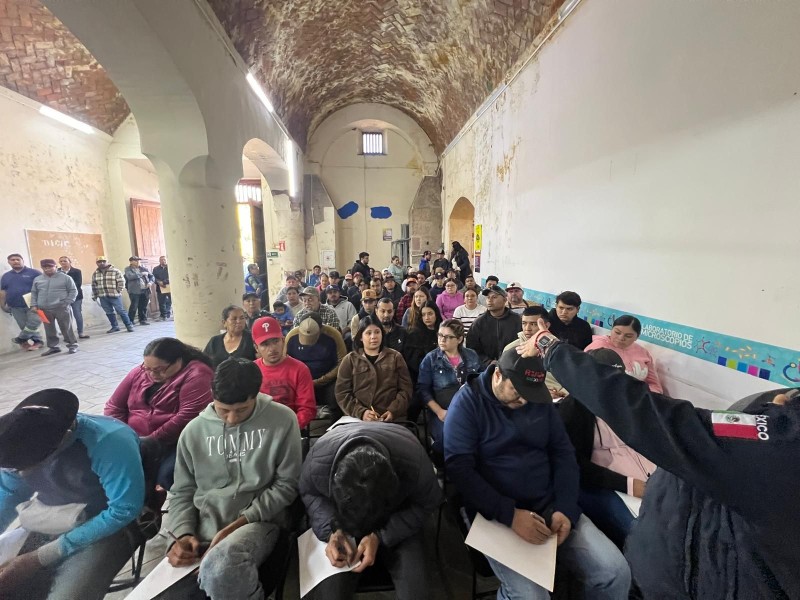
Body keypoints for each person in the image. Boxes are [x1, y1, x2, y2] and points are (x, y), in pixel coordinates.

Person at [522, 322, 800, 600]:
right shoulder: (570, 412)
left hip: (697, 562)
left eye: (786, 407)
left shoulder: (773, 452)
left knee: (615, 567)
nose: (778, 400)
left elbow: (650, 412)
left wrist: (551, 348)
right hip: (626, 494)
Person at [444, 349, 631, 600]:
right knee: (531, 597)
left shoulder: (537, 401)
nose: (523, 401)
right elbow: (460, 470)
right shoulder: (467, 403)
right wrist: (510, 515)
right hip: (495, 514)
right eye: (516, 391)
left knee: (615, 573)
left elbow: (564, 454)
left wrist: (565, 508)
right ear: (498, 375)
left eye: (530, 394)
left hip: (549, 505)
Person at [163, 358, 301, 600]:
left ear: (256, 396)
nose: (232, 419)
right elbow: (181, 492)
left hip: (258, 522)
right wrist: (182, 533)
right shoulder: (193, 431)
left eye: (242, 410)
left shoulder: (282, 420)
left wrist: (234, 527)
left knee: (222, 567)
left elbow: (286, 485)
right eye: (223, 410)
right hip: (205, 527)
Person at [0, 389, 145, 600]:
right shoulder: (19, 443)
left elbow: (123, 510)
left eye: (26, 468)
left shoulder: (109, 441)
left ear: (57, 446)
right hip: (52, 516)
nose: (20, 474)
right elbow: (10, 492)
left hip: (110, 523)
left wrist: (39, 557)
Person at [300, 423, 441, 599]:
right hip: (339, 519)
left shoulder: (415, 463)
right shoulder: (317, 462)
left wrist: (380, 535)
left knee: (416, 594)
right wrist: (333, 532)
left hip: (396, 517)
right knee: (329, 594)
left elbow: (427, 503)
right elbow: (310, 494)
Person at [556, 348, 655, 549]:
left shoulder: (630, 401)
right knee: (646, 536)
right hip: (608, 484)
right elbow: (576, 464)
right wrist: (630, 485)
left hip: (648, 476)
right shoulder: (574, 409)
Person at [105, 337, 214, 489]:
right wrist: (123, 436)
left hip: (173, 441)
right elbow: (114, 406)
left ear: (178, 361)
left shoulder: (197, 373)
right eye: (147, 368)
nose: (152, 374)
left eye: (159, 369)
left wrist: (148, 442)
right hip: (134, 439)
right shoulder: (140, 372)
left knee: (166, 476)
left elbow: (186, 416)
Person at [417, 319, 482, 452]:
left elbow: (481, 381)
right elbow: (423, 390)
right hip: (443, 411)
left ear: (459, 339)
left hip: (470, 409)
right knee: (446, 439)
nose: (442, 340)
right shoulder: (431, 359)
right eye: (440, 335)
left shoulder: (472, 355)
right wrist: (439, 412)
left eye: (447, 337)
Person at [336, 315, 412, 422]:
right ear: (361, 337)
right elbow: (342, 393)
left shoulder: (395, 357)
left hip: (391, 419)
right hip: (357, 419)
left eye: (377, 332)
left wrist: (393, 411)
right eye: (368, 333)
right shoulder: (350, 360)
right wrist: (361, 412)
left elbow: (406, 390)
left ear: (382, 334)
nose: (373, 337)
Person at [252, 316, 316, 429]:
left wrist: (287, 429)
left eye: (275, 341)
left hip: (290, 427)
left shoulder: (300, 369)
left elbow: (307, 409)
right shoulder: (251, 370)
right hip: (259, 430)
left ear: (283, 340)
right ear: (256, 348)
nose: (272, 348)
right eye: (265, 344)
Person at [286, 313, 347, 420]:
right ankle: (297, 426)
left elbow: (342, 363)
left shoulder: (333, 335)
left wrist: (321, 380)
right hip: (300, 382)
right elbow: (286, 362)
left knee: (337, 396)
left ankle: (335, 426)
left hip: (328, 380)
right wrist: (302, 382)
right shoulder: (291, 336)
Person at [584, 315, 664, 393]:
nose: (621, 338)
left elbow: (654, 385)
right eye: (617, 332)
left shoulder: (643, 353)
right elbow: (585, 377)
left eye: (628, 336)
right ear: (611, 329)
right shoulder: (598, 348)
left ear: (637, 337)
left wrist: (642, 396)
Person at [503, 306, 565, 398]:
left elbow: (571, 378)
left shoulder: (557, 348)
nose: (527, 328)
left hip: (559, 396)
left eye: (533, 324)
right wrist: (541, 393)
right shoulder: (512, 349)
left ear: (546, 326)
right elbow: (506, 384)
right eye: (524, 323)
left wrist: (562, 393)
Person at [30, 258, 79, 356]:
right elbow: (34, 293)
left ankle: (72, 345)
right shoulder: (38, 279)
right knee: (49, 329)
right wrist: (34, 305)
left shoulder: (65, 278)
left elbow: (73, 291)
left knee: (66, 327)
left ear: (55, 266)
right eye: (45, 267)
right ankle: (54, 347)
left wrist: (67, 302)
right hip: (44, 309)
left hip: (61, 307)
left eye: (50, 267)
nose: (47, 269)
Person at [466, 286, 521, 366]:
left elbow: (522, 343)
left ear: (504, 300)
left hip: (512, 365)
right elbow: (471, 347)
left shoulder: (517, 320)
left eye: (494, 297)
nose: (490, 300)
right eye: (488, 297)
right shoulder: (479, 322)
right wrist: (487, 361)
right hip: (485, 367)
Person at [1, 253, 44, 350]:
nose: (15, 261)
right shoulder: (6, 276)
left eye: (18, 259)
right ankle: (33, 342)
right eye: (12, 260)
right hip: (15, 305)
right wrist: (3, 305)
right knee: (23, 325)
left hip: (33, 304)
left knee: (33, 322)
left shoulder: (34, 273)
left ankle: (22, 339)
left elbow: (43, 287)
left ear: (23, 261)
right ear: (9, 262)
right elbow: (3, 291)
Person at [91, 256, 135, 333]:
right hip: (103, 296)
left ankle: (129, 325)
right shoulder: (95, 273)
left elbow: (122, 282)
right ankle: (115, 327)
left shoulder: (115, 271)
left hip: (115, 295)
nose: (102, 263)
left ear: (107, 262)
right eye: (99, 262)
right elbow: (94, 285)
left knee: (120, 311)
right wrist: (95, 295)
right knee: (109, 312)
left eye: (104, 261)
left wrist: (118, 290)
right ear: (96, 263)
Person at [403, 301, 442, 385]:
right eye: (423, 315)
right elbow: (413, 361)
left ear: (436, 314)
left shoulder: (443, 332)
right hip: (422, 375)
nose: (427, 317)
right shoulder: (414, 334)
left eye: (430, 314)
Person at [58, 255, 89, 338]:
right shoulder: (57, 272)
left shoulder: (76, 271)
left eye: (65, 261)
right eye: (61, 261)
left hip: (76, 297)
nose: (63, 262)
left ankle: (81, 332)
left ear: (69, 262)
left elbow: (78, 284)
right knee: (65, 316)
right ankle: (67, 334)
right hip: (62, 297)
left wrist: (65, 287)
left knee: (77, 314)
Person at [124, 256, 154, 326]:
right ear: (131, 262)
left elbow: (152, 276)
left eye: (138, 260)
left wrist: (150, 282)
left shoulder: (143, 268)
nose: (138, 262)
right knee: (134, 306)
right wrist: (141, 274)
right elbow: (130, 277)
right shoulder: (128, 269)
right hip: (134, 291)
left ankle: (142, 320)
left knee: (143, 306)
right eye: (136, 260)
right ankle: (130, 321)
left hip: (145, 290)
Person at [152, 255, 171, 321]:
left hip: (169, 287)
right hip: (160, 288)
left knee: (172, 301)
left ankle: (169, 313)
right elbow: (153, 278)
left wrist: (164, 282)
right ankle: (163, 316)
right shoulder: (155, 269)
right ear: (159, 261)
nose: (163, 261)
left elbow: (172, 276)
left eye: (164, 259)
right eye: (161, 260)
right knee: (161, 302)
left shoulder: (170, 267)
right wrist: (159, 282)